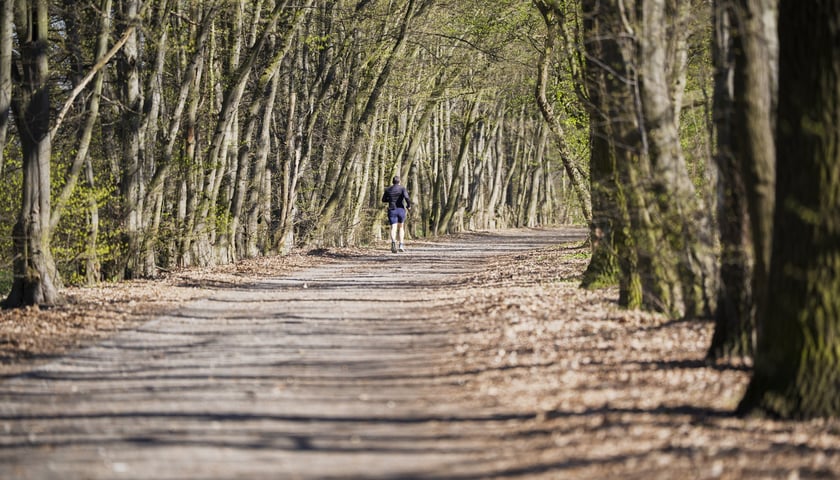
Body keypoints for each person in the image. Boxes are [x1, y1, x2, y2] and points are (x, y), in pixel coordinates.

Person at [381, 175, 411, 253]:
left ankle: (393, 243)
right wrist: (408, 205)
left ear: (392, 182)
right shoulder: (402, 189)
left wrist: (390, 200)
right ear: (399, 181)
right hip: (400, 209)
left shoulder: (388, 189)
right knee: (401, 227)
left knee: (393, 227)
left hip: (392, 210)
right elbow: (407, 197)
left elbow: (383, 200)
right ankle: (401, 245)